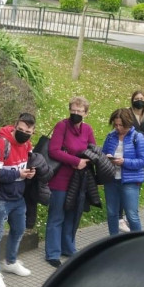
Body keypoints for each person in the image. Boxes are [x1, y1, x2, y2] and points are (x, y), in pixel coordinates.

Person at [0, 113, 37, 287]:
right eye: (21, 130)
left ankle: (10, 261)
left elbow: (26, 165)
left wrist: (30, 173)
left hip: (18, 197)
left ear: (33, 132)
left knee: (19, 230)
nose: (24, 134)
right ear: (15, 126)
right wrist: (18, 174)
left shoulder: (27, 144)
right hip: (1, 198)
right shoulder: (1, 143)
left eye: (28, 131)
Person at [46, 96, 96, 267]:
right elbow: (53, 151)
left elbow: (92, 150)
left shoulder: (88, 129)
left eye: (79, 111)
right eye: (73, 110)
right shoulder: (62, 126)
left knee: (72, 215)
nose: (76, 113)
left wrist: (85, 161)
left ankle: (68, 248)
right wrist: (75, 161)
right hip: (60, 179)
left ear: (86, 113)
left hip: (78, 179)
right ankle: (52, 253)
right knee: (57, 215)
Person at [102, 108, 144, 235]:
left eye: (121, 125)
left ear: (128, 123)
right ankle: (113, 242)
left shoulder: (137, 137)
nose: (117, 127)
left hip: (130, 181)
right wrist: (106, 157)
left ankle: (137, 244)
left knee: (132, 214)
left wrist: (125, 162)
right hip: (111, 180)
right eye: (115, 124)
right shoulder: (111, 136)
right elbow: (102, 154)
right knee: (112, 213)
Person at [119, 90, 144, 232]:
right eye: (136, 98)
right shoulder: (126, 113)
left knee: (135, 187)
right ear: (132, 100)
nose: (139, 100)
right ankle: (121, 216)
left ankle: (130, 214)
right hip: (127, 154)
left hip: (142, 156)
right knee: (123, 185)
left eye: (142, 98)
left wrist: (139, 134)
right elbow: (123, 132)